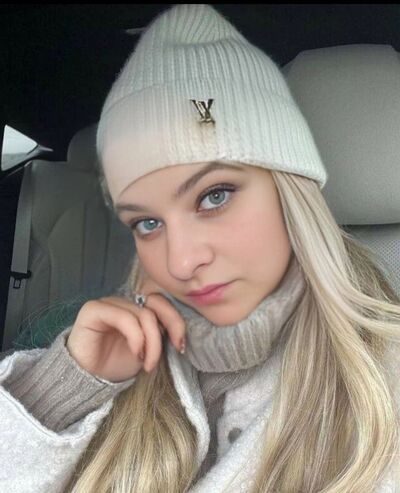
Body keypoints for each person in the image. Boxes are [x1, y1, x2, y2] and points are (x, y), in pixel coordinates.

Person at [1, 4, 400, 492]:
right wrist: (60, 394)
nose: (181, 262)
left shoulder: (385, 388)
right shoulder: (114, 358)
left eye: (214, 196)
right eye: (148, 223)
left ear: (290, 193)